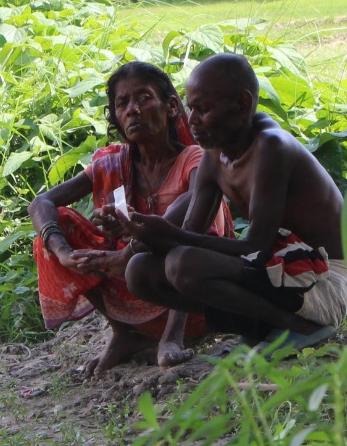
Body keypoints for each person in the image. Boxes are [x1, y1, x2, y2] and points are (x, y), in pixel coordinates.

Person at [117, 53, 347, 354]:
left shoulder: (271, 146)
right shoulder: (216, 153)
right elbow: (189, 235)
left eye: (203, 109)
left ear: (241, 104)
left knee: (182, 263)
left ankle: (302, 328)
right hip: (279, 271)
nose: (191, 120)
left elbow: (256, 246)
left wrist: (169, 232)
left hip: (323, 282)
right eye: (191, 108)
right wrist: (143, 234)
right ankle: (261, 327)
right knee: (139, 271)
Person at [29, 62, 233, 373]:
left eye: (144, 98)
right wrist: (63, 253)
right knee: (58, 225)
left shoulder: (194, 159)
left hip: (194, 302)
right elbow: (41, 202)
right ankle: (124, 334)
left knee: (193, 226)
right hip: (134, 291)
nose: (132, 110)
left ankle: (172, 337)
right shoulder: (111, 164)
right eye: (122, 103)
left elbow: (195, 204)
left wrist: (134, 244)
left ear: (171, 107)